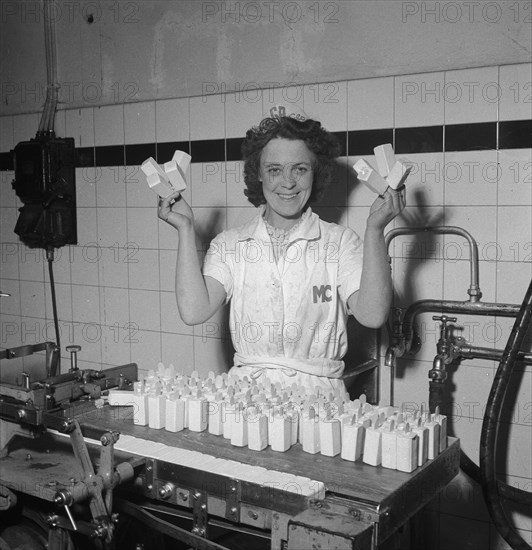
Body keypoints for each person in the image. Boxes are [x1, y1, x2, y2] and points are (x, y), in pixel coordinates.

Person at [158, 107, 406, 396]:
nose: (287, 182)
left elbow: (373, 314)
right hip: (249, 397)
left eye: (299, 169)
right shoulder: (230, 245)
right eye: (274, 170)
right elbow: (193, 310)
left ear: (315, 174)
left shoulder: (339, 243)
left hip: (319, 400)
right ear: (259, 175)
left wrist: (375, 231)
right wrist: (186, 229)